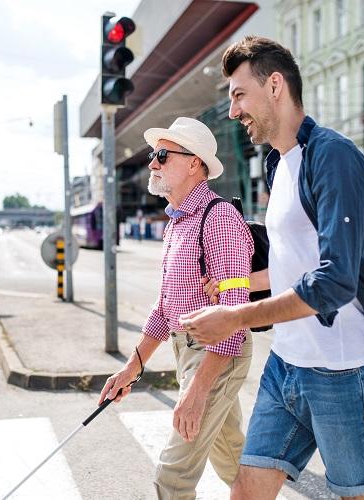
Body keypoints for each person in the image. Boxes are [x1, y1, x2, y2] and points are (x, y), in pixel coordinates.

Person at [180, 36, 364, 499]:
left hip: (339, 374)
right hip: (286, 367)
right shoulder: (279, 164)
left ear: (275, 85)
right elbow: (291, 265)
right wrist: (233, 284)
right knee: (245, 491)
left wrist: (235, 317)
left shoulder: (334, 157)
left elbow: (335, 281)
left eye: (240, 95)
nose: (234, 111)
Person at [98, 117, 255, 499]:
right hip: (189, 351)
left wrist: (198, 390)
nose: (152, 163)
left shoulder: (219, 219)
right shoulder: (177, 224)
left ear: (194, 164)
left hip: (217, 354)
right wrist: (132, 367)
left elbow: (234, 315)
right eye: (154, 155)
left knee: (172, 478)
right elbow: (166, 306)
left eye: (162, 155)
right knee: (234, 461)